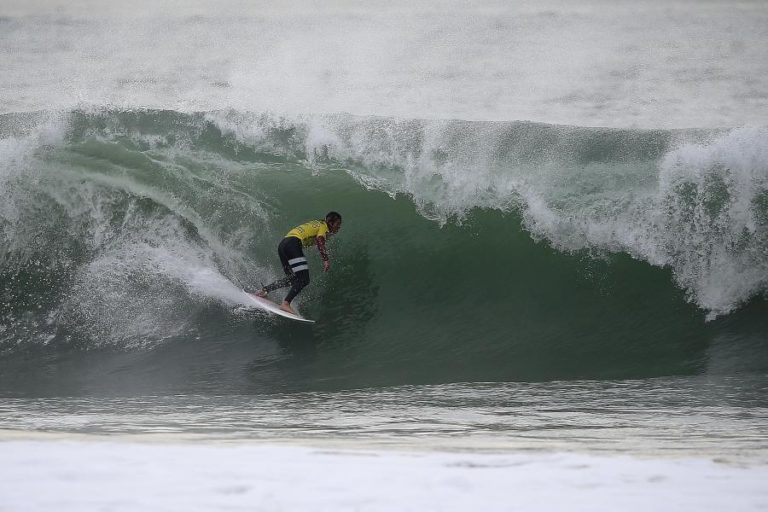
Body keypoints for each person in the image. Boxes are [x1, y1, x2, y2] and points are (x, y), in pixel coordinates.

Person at [250, 212, 342, 315]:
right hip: (293, 244)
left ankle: (264, 291)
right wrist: (326, 259)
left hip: (283, 245)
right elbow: (320, 239)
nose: (339, 227)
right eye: (337, 224)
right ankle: (286, 304)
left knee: (293, 279)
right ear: (330, 222)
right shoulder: (323, 226)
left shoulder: (317, 223)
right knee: (304, 279)